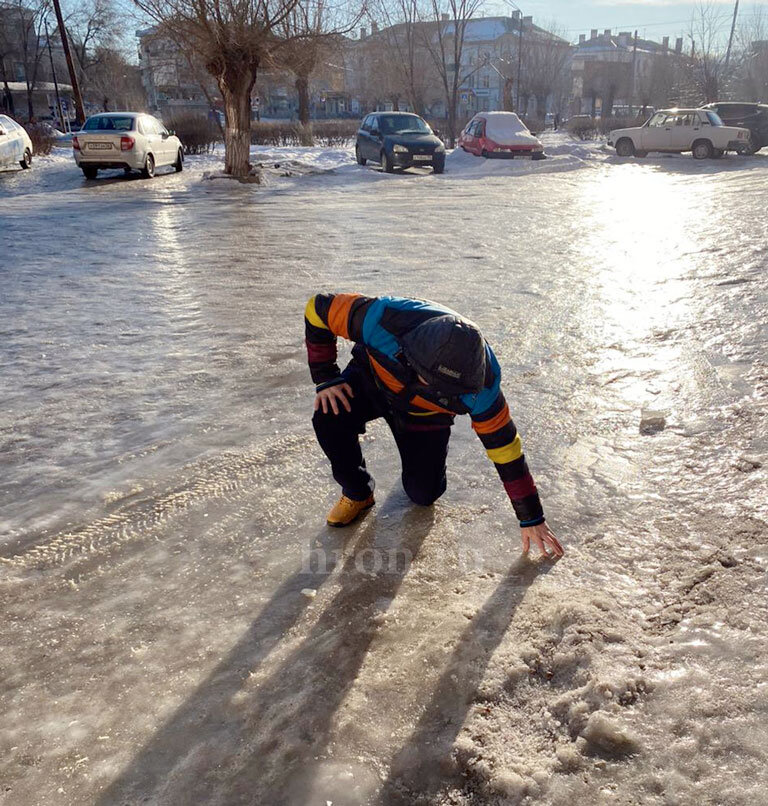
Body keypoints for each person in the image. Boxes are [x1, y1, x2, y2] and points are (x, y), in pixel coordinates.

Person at [305, 294, 563, 558]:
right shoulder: (382, 319)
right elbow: (317, 309)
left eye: (453, 390)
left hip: (425, 415)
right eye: (438, 384)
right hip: (372, 380)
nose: (448, 392)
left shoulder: (482, 388)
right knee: (328, 414)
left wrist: (531, 518)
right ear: (412, 357)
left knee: (423, 495)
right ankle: (358, 492)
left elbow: (506, 452)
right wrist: (325, 377)